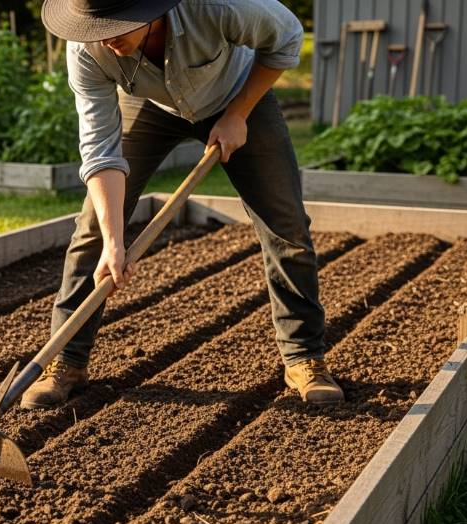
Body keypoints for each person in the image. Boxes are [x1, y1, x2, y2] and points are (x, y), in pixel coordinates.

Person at [21, 0, 345, 409]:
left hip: (236, 92)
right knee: (92, 230)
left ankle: (304, 358)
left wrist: (239, 113)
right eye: (96, 29)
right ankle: (65, 361)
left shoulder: (215, 7)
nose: (106, 37)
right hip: (151, 104)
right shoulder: (88, 48)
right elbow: (100, 151)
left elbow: (287, 36)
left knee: (287, 226)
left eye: (116, 25)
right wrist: (113, 240)